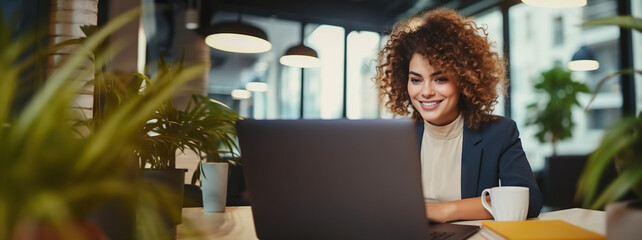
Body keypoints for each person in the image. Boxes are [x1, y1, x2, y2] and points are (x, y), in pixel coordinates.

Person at [375, 8, 543, 223]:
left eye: (440, 79)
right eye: (416, 80)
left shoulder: (499, 132)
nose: (425, 91)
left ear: (464, 80)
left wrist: (442, 211)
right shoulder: (395, 138)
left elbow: (530, 199)